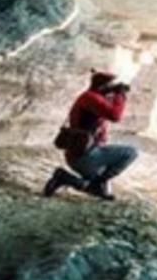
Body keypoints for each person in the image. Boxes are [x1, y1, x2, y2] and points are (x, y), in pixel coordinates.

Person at [43, 70, 139, 200]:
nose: (112, 89)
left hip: (79, 154)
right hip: (86, 155)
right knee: (131, 152)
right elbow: (115, 115)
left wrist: (113, 93)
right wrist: (120, 95)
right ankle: (95, 183)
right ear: (103, 86)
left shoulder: (90, 97)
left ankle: (64, 178)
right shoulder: (90, 98)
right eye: (111, 86)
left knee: (102, 192)